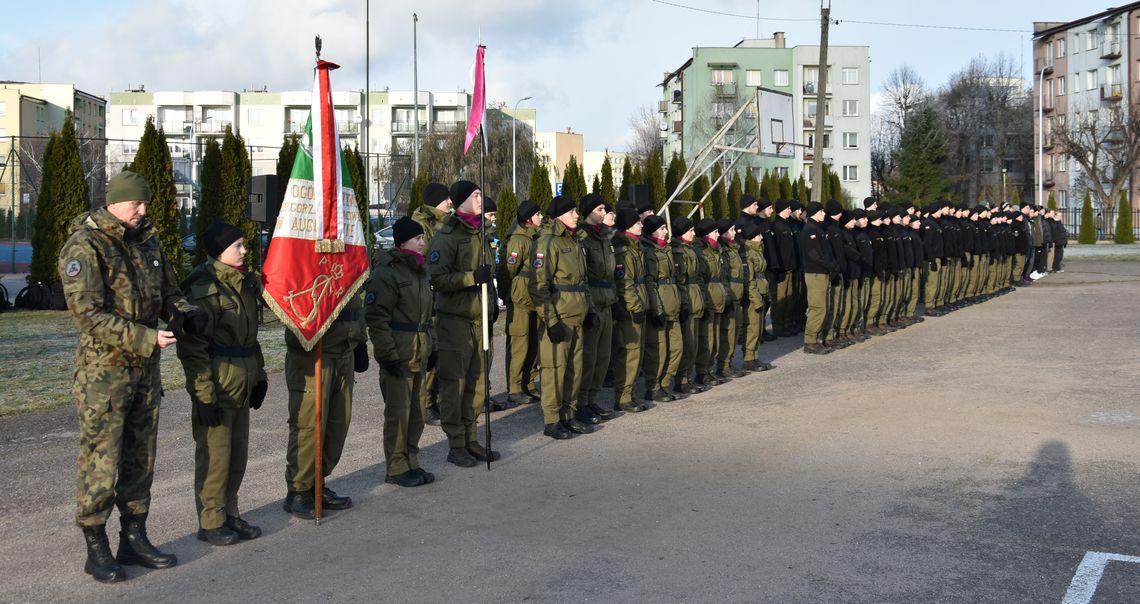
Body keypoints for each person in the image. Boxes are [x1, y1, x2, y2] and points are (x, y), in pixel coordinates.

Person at [59, 170, 202, 582]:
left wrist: (185, 314)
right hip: (103, 373)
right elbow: (88, 314)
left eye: (145, 204)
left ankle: (134, 536)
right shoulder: (85, 246)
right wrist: (145, 337)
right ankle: (96, 543)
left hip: (145, 370)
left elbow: (170, 292)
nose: (143, 211)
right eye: (136, 204)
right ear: (115, 202)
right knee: (102, 459)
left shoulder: (147, 241)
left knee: (142, 456)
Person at [177, 221, 268, 546]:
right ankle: (211, 520)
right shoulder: (204, 289)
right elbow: (193, 349)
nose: (244, 251)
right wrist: (204, 396)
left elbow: (250, 337)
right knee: (215, 457)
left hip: (240, 383)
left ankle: (230, 513)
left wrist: (259, 376)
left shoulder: (242, 284)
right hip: (217, 384)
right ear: (219, 252)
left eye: (244, 245)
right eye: (237, 247)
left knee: (237, 455)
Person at [427, 180, 500, 465]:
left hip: (480, 318)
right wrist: (471, 278)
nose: (481, 198)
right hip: (455, 320)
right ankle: (456, 443)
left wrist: (491, 306)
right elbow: (437, 279)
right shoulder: (447, 235)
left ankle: (471, 438)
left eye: (481, 193)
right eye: (475, 194)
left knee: (478, 382)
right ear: (460, 201)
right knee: (454, 384)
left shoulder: (483, 232)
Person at [282, 280, 366, 518]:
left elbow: (356, 305)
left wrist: (361, 340)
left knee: (338, 423)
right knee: (310, 426)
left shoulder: (345, 262)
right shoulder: (305, 260)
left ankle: (317, 482)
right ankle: (299, 490)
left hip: (344, 351)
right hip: (315, 353)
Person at [365, 217, 437, 487]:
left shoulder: (421, 271)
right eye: (418, 238)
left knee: (417, 411)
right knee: (399, 412)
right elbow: (377, 318)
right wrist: (387, 355)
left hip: (420, 350)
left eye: (422, 238)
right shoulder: (388, 273)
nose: (423, 242)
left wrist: (434, 348)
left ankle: (411, 460)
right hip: (399, 351)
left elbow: (430, 314)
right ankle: (396, 466)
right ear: (403, 242)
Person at [531, 195, 596, 438]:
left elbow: (583, 281)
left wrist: (588, 310)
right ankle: (552, 420)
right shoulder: (548, 242)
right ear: (559, 215)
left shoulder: (575, 240)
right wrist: (551, 321)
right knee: (554, 369)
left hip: (577, 314)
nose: (577, 215)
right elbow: (539, 287)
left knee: (574, 369)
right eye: (572, 211)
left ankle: (568, 414)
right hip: (560, 316)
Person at [411, 182, 451, 425]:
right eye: (446, 199)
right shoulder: (422, 225)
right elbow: (422, 259)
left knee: (441, 352)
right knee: (430, 352)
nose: (450, 203)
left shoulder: (445, 223)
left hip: (443, 296)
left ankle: (435, 400)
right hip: (428, 297)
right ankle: (426, 404)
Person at [497, 200, 543, 406]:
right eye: (538, 214)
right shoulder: (519, 239)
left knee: (533, 344)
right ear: (528, 218)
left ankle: (529, 383)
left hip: (534, 299)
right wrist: (506, 293)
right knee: (519, 344)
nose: (541, 217)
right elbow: (508, 271)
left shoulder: (536, 237)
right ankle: (515, 388)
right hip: (520, 299)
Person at [577, 195, 618, 423]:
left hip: (607, 302)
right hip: (592, 302)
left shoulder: (604, 237)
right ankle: (581, 402)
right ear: (588, 211)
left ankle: (592, 400)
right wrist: (588, 307)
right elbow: (582, 275)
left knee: (603, 357)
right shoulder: (582, 237)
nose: (604, 212)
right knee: (588, 358)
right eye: (600, 209)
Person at [611, 208, 651, 414]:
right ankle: (623, 397)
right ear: (627, 226)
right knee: (629, 353)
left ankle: (629, 394)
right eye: (637, 223)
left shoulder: (635, 247)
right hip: (628, 309)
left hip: (639, 305)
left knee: (637, 353)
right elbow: (624, 283)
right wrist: (635, 307)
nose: (642, 225)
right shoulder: (623, 250)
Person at [641, 214, 684, 402]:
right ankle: (653, 386)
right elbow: (649, 283)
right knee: (657, 350)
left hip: (672, 305)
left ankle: (665, 382)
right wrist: (656, 309)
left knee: (677, 348)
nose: (666, 231)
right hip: (658, 306)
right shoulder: (648, 251)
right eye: (662, 228)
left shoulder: (667, 249)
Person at [670, 215, 705, 393]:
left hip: (695, 299)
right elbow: (680, 281)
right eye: (690, 230)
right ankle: (681, 380)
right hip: (687, 300)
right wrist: (684, 304)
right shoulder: (678, 252)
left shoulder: (690, 249)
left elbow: (697, 277)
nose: (693, 233)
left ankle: (687, 378)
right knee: (687, 343)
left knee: (694, 343)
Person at [800, 201, 839, 354]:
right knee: (817, 308)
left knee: (823, 307)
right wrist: (830, 266)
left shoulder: (818, 228)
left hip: (822, 273)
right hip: (815, 273)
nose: (824, 214)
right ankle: (810, 341)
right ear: (815, 212)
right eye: (822, 211)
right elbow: (814, 254)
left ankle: (818, 338)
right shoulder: (810, 229)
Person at [693, 218, 727, 386]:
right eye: (715, 232)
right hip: (708, 298)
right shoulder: (701, 252)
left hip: (718, 297)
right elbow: (699, 279)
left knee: (715, 338)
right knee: (706, 338)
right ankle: (702, 371)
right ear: (707, 235)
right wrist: (704, 301)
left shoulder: (716, 250)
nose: (718, 234)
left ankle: (710, 369)